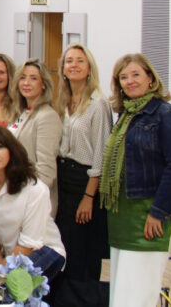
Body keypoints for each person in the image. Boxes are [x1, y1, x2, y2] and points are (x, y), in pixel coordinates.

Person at [101, 53, 171, 307]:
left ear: (150, 78)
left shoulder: (166, 114)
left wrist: (158, 212)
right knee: (121, 296)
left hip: (149, 215)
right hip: (122, 217)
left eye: (136, 74)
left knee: (139, 295)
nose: (130, 81)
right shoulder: (125, 115)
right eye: (124, 77)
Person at [0, 126, 65, 282]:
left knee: (12, 288)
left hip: (43, 250)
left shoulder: (34, 189)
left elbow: (28, 244)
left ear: (11, 150)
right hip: (10, 255)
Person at [54, 43, 110, 301]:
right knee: (65, 248)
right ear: (63, 69)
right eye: (69, 61)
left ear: (89, 68)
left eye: (80, 61)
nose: (74, 65)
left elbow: (101, 154)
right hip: (63, 177)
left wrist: (89, 197)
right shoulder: (63, 101)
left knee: (83, 253)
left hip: (85, 183)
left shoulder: (98, 104)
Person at [8, 59, 60, 212]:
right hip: (17, 191)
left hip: (34, 201)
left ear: (44, 84)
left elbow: (46, 171)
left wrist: (28, 199)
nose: (26, 83)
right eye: (23, 77)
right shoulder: (24, 112)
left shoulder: (47, 116)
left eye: (33, 78)